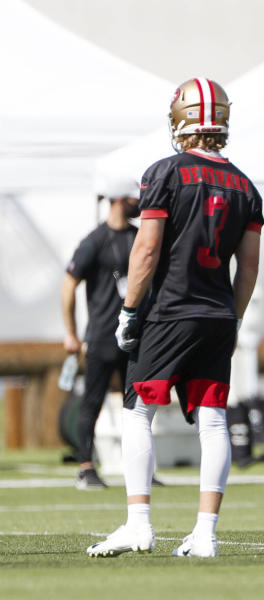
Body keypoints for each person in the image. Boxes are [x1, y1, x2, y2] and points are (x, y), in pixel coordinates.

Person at [87, 77, 264, 559]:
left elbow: (146, 249)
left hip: (170, 310)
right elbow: (248, 266)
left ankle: (138, 523)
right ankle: (205, 533)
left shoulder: (164, 173)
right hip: (217, 313)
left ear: (181, 119)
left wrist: (128, 310)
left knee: (138, 410)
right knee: (212, 418)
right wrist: (234, 318)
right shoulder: (246, 186)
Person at [61, 178, 140, 489]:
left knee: (136, 404)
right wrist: (70, 333)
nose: (139, 203)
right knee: (92, 402)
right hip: (102, 336)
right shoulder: (94, 241)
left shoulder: (138, 237)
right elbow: (68, 286)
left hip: (134, 334)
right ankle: (86, 467)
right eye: (134, 198)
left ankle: (140, 467)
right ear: (120, 199)